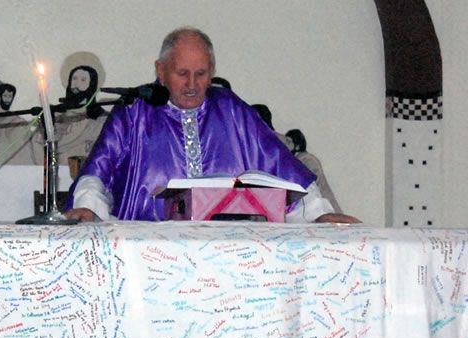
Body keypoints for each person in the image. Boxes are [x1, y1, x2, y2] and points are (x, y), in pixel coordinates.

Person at [65, 27, 359, 224]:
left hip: (227, 257)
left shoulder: (231, 111)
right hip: (148, 255)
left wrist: (319, 215)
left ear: (212, 71)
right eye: (182, 73)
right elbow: (96, 175)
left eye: (201, 73)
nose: (192, 85)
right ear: (160, 71)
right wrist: (88, 209)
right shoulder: (134, 112)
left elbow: (283, 170)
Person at [52, 51, 109, 179]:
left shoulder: (102, 120)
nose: (76, 84)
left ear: (92, 84)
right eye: (74, 78)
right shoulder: (55, 117)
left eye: (83, 80)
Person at [285, 128, 343, 214]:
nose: (285, 144)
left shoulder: (308, 161)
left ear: (297, 145)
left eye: (288, 142)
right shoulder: (298, 160)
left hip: (325, 212)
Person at [0, 83, 37, 165]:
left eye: (10, 97)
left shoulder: (18, 121)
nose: (8, 100)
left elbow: (26, 142)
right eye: (5, 96)